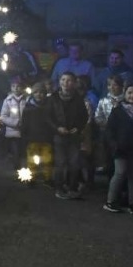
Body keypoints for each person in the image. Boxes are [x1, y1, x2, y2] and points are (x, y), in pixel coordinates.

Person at [104, 83, 133, 215]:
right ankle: (110, 201)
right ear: (125, 94)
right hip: (121, 148)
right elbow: (110, 129)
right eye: (129, 93)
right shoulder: (118, 110)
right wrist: (114, 144)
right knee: (120, 173)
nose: (132, 96)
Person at [48, 72, 91, 200]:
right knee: (60, 162)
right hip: (59, 135)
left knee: (74, 163)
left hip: (73, 136)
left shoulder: (78, 98)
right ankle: (59, 188)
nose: (66, 83)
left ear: (74, 83)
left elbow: (84, 116)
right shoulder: (53, 98)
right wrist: (57, 128)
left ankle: (72, 188)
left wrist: (77, 128)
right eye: (63, 79)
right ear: (59, 81)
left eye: (69, 80)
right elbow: (48, 117)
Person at [0, 77, 28, 170]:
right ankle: (17, 170)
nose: (16, 88)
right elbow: (3, 116)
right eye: (13, 86)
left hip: (25, 130)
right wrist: (16, 123)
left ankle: (25, 169)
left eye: (18, 86)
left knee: (24, 151)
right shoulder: (8, 100)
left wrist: (25, 123)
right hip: (13, 131)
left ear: (22, 88)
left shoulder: (26, 100)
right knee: (15, 151)